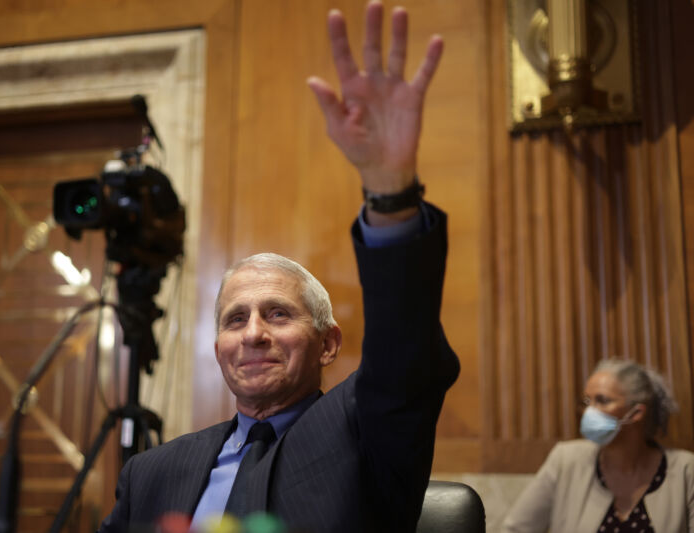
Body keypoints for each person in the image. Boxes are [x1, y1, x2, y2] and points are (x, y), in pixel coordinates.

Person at [98, 1, 459, 531]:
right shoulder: (150, 473)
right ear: (217, 346)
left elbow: (406, 353)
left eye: (278, 314)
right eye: (234, 319)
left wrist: (390, 190)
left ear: (329, 343)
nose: (253, 334)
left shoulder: (365, 433)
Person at [503, 359, 694, 533]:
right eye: (587, 401)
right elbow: (515, 529)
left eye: (602, 400)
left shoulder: (686, 469)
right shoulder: (565, 460)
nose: (589, 411)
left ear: (636, 413)